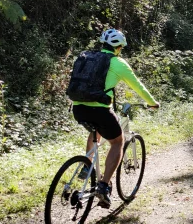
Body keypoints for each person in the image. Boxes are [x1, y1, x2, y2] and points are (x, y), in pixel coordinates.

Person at [67, 29, 159, 208]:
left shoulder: (88, 57)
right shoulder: (117, 63)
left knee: (96, 130)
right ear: (119, 48)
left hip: (78, 108)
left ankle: (88, 167)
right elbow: (138, 86)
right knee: (117, 142)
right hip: (99, 111)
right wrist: (152, 102)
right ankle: (103, 186)